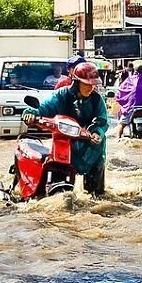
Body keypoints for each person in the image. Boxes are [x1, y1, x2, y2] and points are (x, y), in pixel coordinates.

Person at [22, 61, 108, 196]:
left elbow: (102, 120)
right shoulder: (62, 95)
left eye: (93, 85)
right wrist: (32, 113)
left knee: (97, 189)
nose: (90, 88)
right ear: (76, 82)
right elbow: (45, 108)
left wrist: (97, 132)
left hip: (89, 142)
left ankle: (97, 193)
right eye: (86, 84)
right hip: (66, 139)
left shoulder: (97, 100)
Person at [115, 64, 142, 140]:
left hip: (130, 108)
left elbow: (121, 92)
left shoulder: (129, 80)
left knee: (122, 124)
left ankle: (117, 139)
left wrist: (120, 99)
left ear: (135, 71)